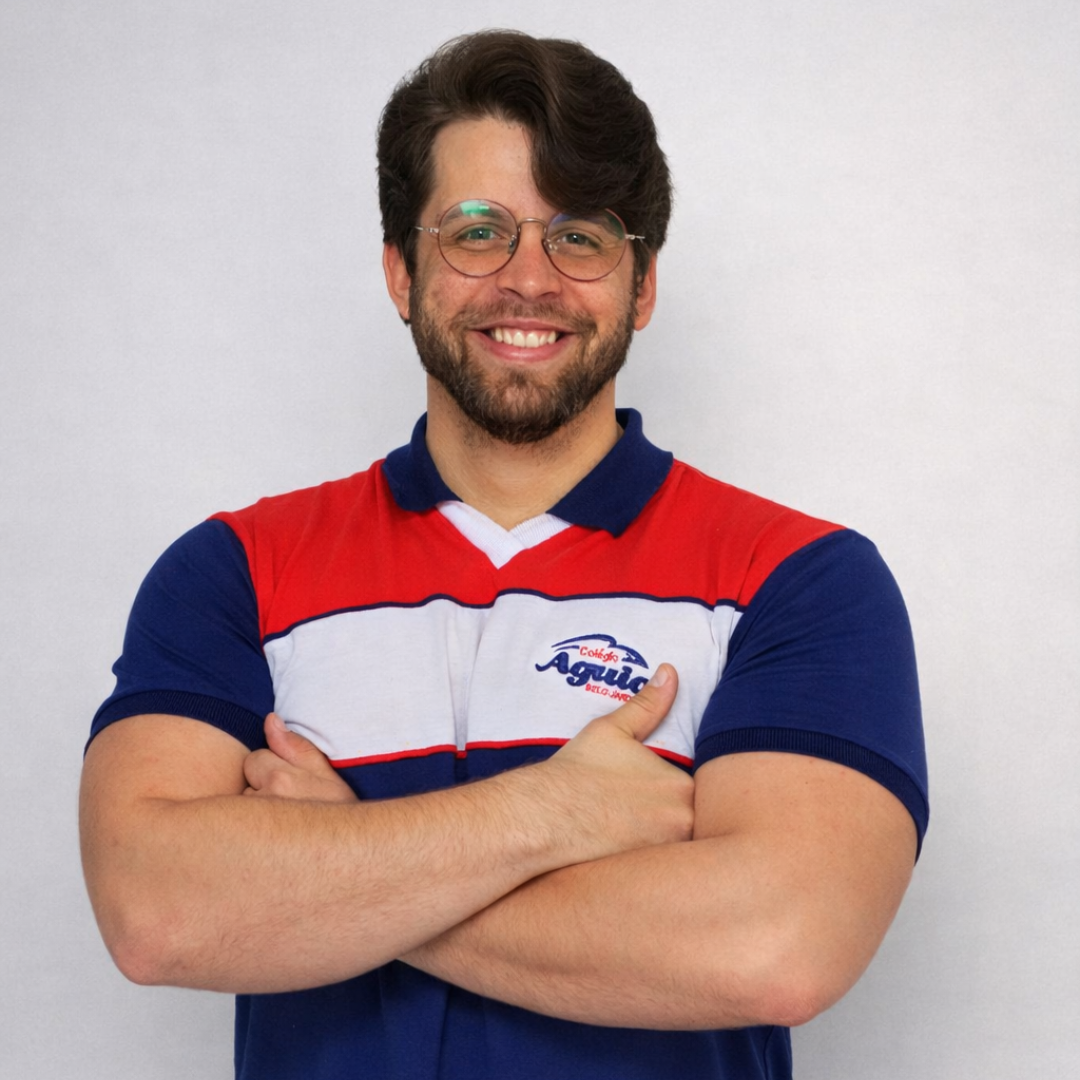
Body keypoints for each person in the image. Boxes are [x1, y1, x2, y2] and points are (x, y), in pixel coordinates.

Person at [80, 29, 928, 1080]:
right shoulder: (235, 572)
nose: (529, 280)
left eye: (580, 236)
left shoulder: (800, 580)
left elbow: (776, 947)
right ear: (402, 271)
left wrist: (334, 872)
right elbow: (156, 911)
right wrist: (552, 812)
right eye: (477, 231)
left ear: (641, 285)